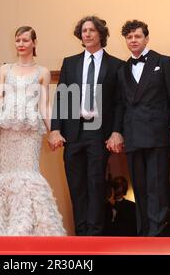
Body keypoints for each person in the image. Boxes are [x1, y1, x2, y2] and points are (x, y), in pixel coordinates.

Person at [0, 26, 65, 236]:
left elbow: (44, 104)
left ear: (34, 43)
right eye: (18, 40)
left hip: (29, 132)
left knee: (29, 177)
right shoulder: (5, 70)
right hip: (7, 132)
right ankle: (2, 231)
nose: (20, 44)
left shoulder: (43, 72)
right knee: (5, 178)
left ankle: (31, 230)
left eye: (25, 40)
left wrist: (52, 131)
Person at [48, 16, 123, 236]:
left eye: (91, 30)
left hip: (99, 132)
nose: (87, 34)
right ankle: (81, 235)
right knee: (76, 185)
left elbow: (119, 103)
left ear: (101, 34)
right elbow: (61, 97)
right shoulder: (70, 62)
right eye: (83, 31)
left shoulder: (117, 65)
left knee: (96, 184)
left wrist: (117, 131)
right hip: (73, 131)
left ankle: (95, 235)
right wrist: (55, 129)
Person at [117, 20, 170, 236]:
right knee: (140, 188)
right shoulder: (122, 69)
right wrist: (118, 132)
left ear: (146, 38)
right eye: (129, 37)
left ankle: (157, 235)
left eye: (137, 36)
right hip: (133, 136)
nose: (133, 40)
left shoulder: (163, 61)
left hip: (158, 135)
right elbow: (121, 105)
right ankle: (143, 235)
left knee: (157, 188)